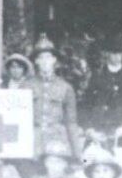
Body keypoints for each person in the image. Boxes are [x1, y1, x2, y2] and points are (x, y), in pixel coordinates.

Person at [25, 35, 81, 169]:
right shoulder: (26, 86)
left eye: (48, 57)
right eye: (41, 58)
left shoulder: (65, 87)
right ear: (36, 61)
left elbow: (71, 122)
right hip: (33, 139)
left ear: (54, 60)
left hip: (56, 139)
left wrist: (77, 153)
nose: (45, 61)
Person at [81, 37, 122, 134]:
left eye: (120, 53)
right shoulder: (97, 75)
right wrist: (88, 127)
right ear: (107, 54)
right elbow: (87, 103)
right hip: (100, 127)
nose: (118, 57)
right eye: (114, 53)